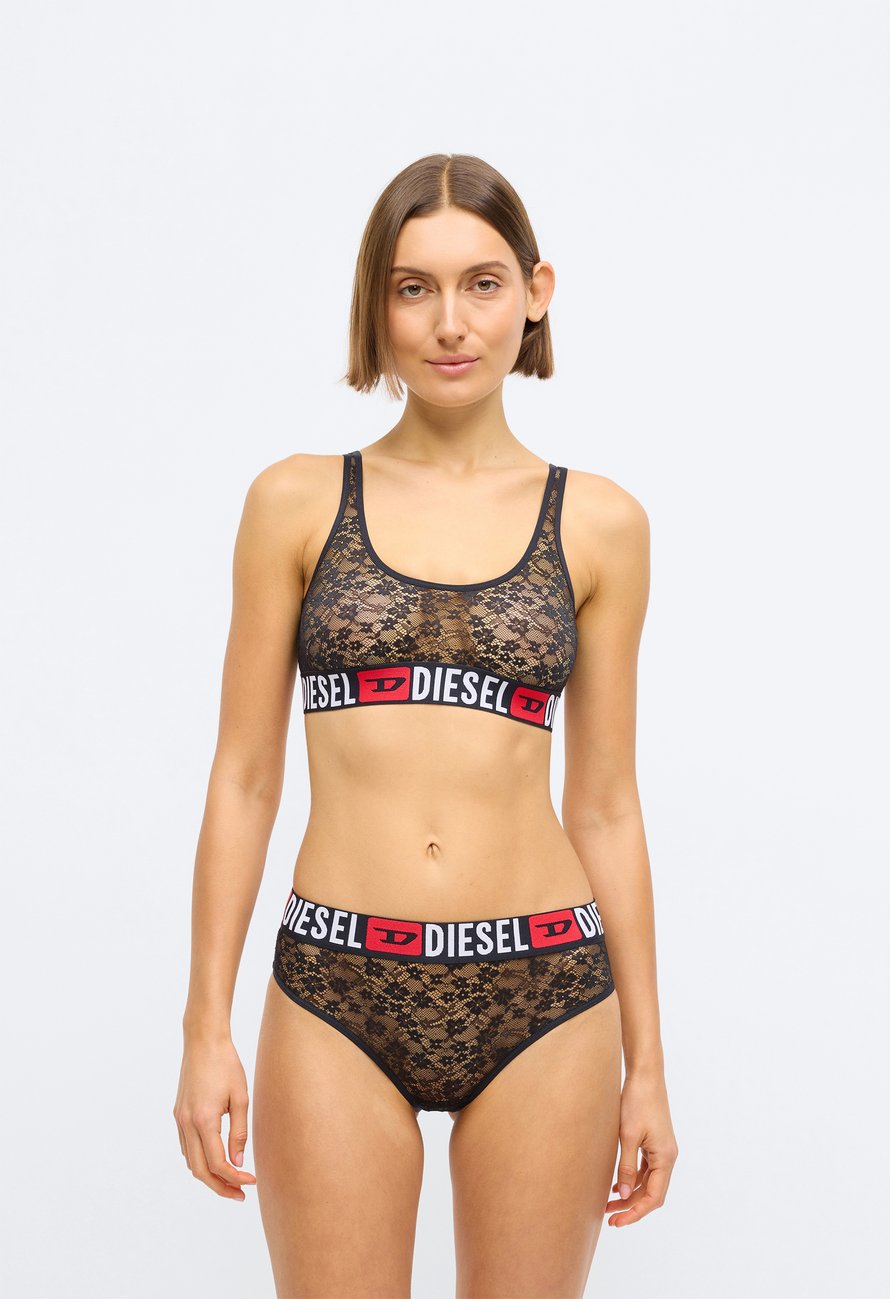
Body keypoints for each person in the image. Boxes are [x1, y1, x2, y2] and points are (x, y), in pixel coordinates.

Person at [173, 152, 678, 1299]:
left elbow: (606, 804)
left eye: (482, 284)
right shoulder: (296, 502)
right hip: (335, 986)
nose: (450, 322)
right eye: (414, 289)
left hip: (545, 992)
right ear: (376, 303)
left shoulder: (601, 524)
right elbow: (243, 779)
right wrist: (205, 1028)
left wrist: (648, 1063)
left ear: (535, 293)